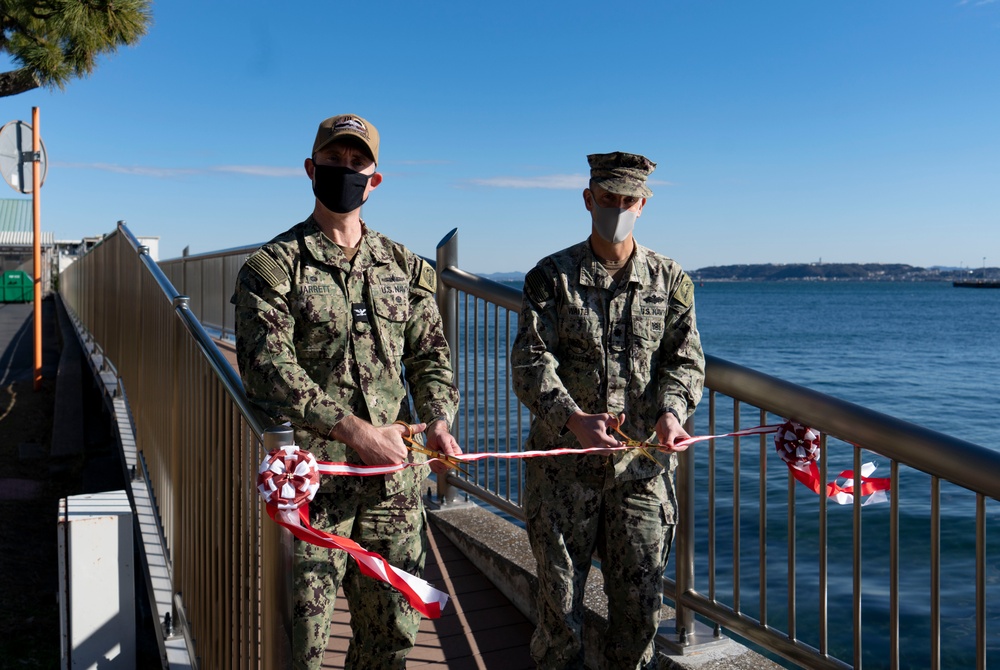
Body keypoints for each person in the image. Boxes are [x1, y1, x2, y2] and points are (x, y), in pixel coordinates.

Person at [232, 113, 461, 670]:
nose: (345, 171)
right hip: (312, 484)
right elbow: (267, 366)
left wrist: (436, 420)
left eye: (357, 163)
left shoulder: (406, 268)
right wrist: (354, 430)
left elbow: (430, 356)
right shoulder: (272, 269)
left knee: (392, 634)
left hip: (393, 483)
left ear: (374, 180)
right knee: (302, 642)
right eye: (334, 161)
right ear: (311, 169)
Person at [510, 151, 705, 669]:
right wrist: (572, 418)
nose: (616, 208)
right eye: (607, 198)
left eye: (627, 200)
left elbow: (685, 361)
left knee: (639, 622)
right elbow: (530, 363)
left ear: (642, 204)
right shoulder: (550, 278)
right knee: (558, 620)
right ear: (588, 199)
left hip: (641, 476)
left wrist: (671, 412)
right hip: (563, 474)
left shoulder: (671, 281)